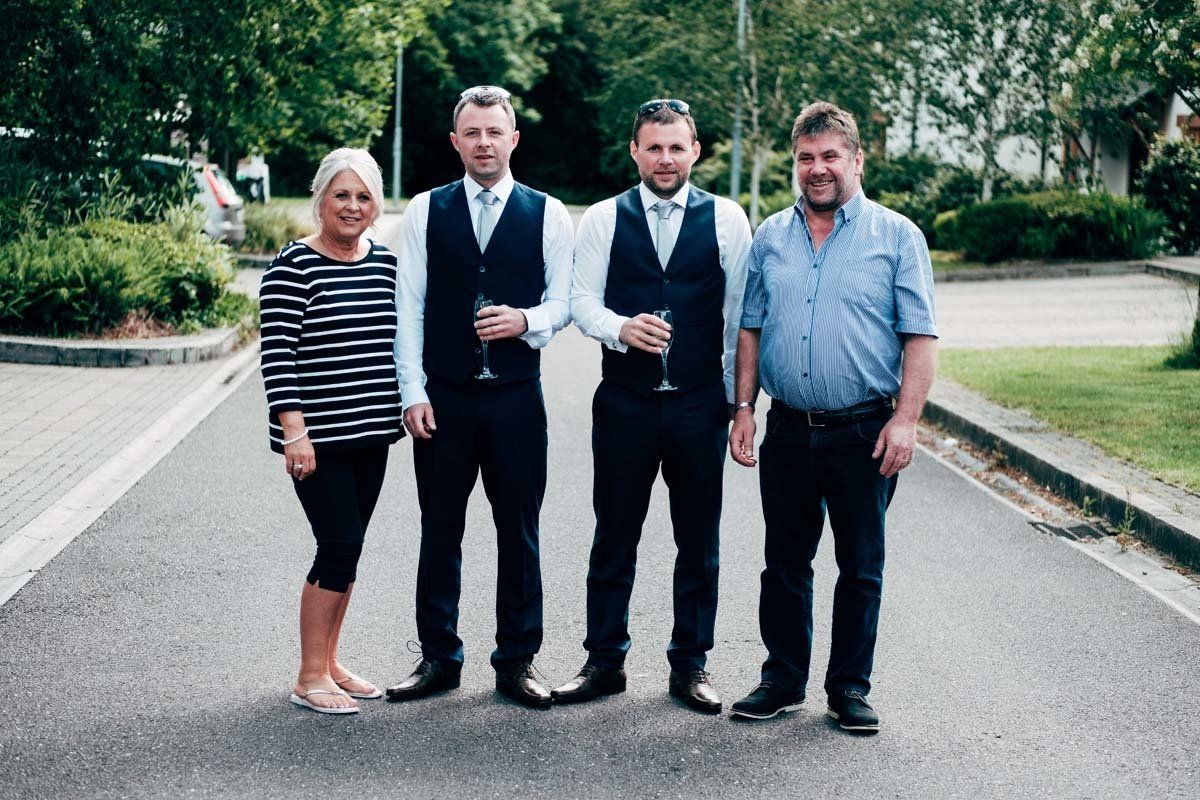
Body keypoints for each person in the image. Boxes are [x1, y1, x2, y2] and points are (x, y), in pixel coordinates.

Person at [727, 102, 938, 732]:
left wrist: (906, 420)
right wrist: (744, 406)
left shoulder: (897, 236)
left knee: (860, 565)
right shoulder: (771, 235)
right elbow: (751, 328)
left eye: (830, 157)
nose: (817, 170)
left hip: (865, 431)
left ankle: (848, 686)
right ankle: (783, 678)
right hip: (790, 427)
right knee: (784, 563)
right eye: (806, 158)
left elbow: (920, 337)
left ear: (856, 160)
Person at [555, 98, 751, 713]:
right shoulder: (604, 219)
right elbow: (580, 301)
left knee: (698, 539)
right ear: (635, 151)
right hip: (625, 402)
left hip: (698, 404)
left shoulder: (727, 218)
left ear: (694, 151)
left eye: (676, 147)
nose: (665, 158)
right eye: (653, 147)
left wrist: (736, 402)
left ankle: (690, 665)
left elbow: (741, 319)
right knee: (614, 533)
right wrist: (619, 328)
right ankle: (604, 662)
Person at [388, 86, 573, 708]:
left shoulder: (547, 212)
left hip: (519, 399)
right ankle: (438, 657)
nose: (484, 143)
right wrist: (411, 391)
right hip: (445, 397)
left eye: (495, 132)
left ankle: (516, 661)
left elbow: (564, 301)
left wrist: (525, 319)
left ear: (513, 139)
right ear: (456, 141)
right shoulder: (424, 210)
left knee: (518, 530)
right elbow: (407, 304)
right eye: (473, 133)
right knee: (439, 528)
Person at [259, 147, 404, 714]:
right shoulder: (293, 266)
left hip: (372, 435)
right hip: (317, 443)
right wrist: (294, 432)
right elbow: (277, 357)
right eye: (341, 195)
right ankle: (308, 675)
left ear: (376, 206)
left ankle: (331, 661)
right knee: (337, 545)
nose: (352, 206)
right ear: (320, 199)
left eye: (363, 196)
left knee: (350, 549)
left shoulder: (385, 263)